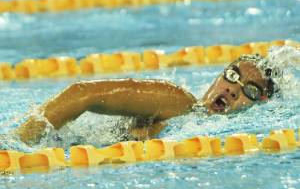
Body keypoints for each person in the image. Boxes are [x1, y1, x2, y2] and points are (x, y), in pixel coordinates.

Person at [13, 53, 281, 147]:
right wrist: (14, 146)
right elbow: (81, 93)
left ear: (262, 104)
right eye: (232, 75)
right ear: (217, 77)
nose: (233, 89)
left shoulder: (221, 132)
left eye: (251, 91)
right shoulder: (178, 102)